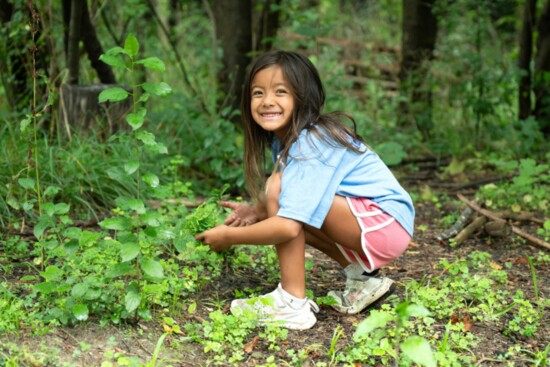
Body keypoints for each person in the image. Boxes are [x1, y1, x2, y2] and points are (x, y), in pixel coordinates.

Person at [195, 50, 414, 330]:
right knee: (286, 198)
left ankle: (291, 302)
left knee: (282, 195)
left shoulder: (312, 141)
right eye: (258, 93)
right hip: (384, 223)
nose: (267, 101)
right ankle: (364, 278)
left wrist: (230, 236)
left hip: (383, 222)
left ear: (303, 97)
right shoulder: (291, 139)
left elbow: (287, 227)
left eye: (281, 91)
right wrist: (256, 210)